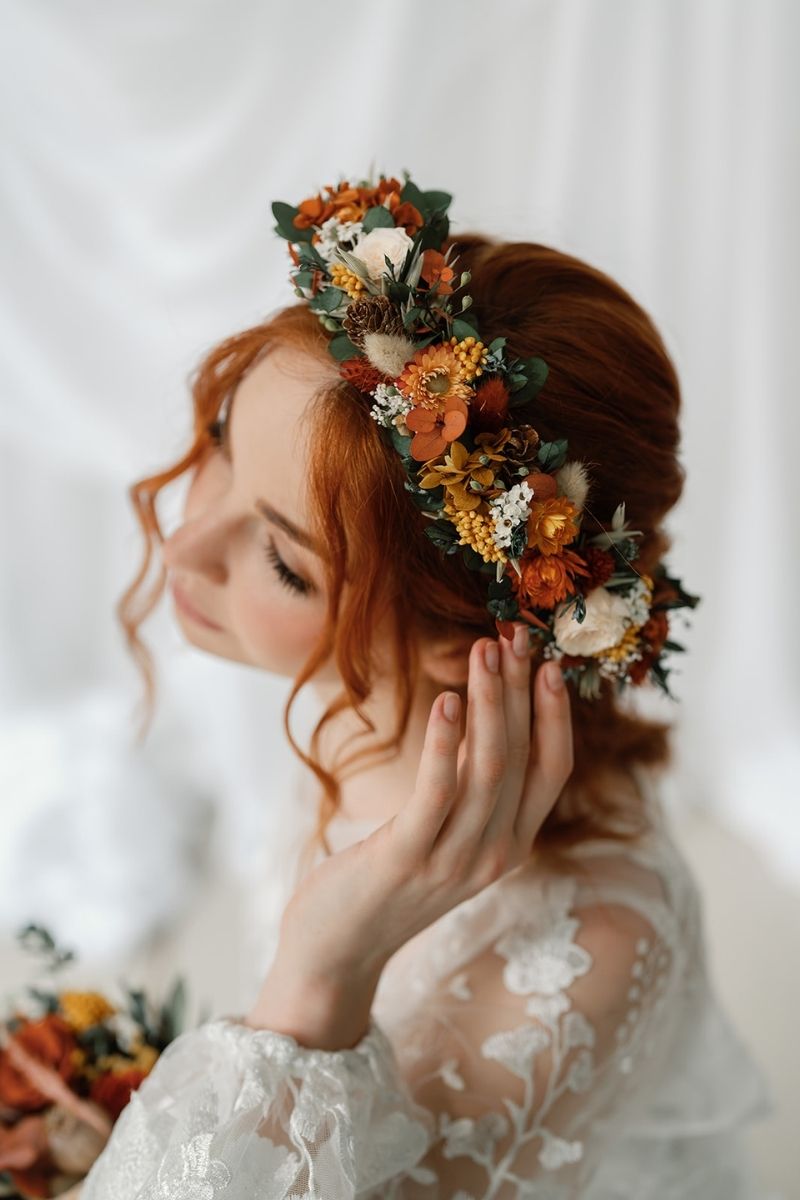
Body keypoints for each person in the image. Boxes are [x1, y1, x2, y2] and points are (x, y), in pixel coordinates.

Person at [81, 175, 773, 1198]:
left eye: (283, 564)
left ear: (462, 643)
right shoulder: (378, 708)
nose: (182, 542)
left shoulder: (582, 955)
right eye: (224, 442)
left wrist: (318, 974)